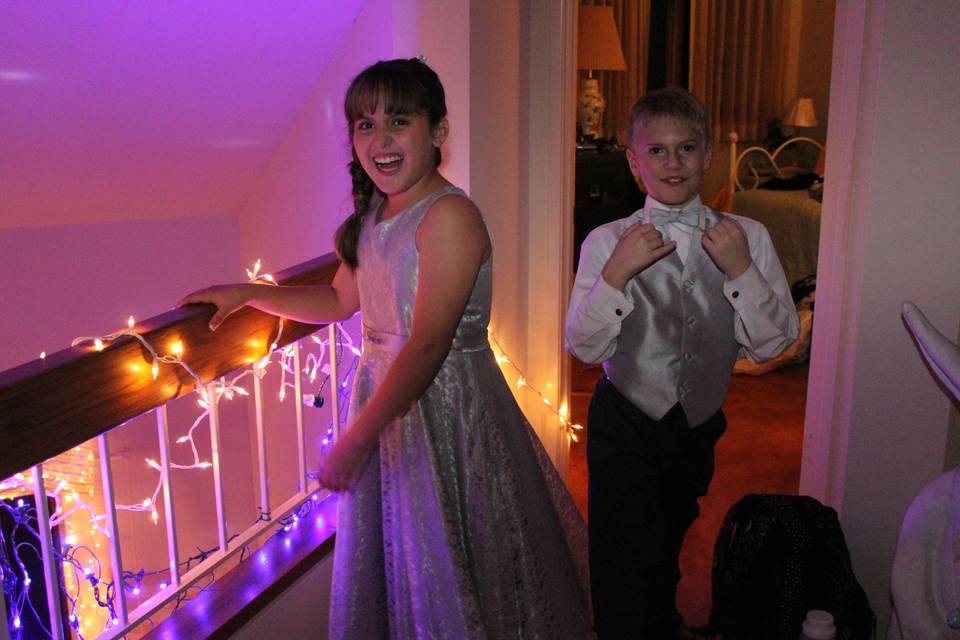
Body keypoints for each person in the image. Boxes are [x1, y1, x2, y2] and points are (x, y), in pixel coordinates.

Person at [180, 58, 591, 639]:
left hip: (447, 411)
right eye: (365, 125)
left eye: (399, 121)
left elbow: (426, 346)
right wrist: (247, 294)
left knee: (460, 555)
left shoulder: (449, 217)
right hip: (391, 405)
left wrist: (356, 438)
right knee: (408, 562)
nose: (381, 140)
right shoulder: (375, 214)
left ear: (438, 132)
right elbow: (337, 300)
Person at [565, 87, 799, 640]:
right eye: (657, 151)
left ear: (708, 154)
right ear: (633, 161)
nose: (673, 163)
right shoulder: (605, 242)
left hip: (696, 425)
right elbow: (585, 347)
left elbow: (774, 344)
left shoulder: (751, 238)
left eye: (687, 148)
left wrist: (741, 270)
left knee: (670, 539)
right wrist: (616, 275)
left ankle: (661, 622)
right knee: (622, 558)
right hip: (624, 423)